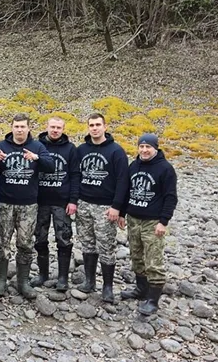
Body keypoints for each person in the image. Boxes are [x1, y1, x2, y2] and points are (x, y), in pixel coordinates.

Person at [0, 114, 54, 300]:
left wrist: (37, 158)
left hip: (28, 205)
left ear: (28, 128)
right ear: (12, 127)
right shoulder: (1, 146)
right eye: (16, 126)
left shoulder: (38, 146)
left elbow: (51, 167)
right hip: (5, 203)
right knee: (2, 241)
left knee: (25, 243)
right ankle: (1, 280)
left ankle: (23, 281)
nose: (19, 130)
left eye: (23, 126)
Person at [119, 134, 177, 315]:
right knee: (136, 257)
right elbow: (126, 191)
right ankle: (141, 289)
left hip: (152, 222)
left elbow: (170, 197)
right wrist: (121, 213)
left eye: (148, 147)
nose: (144, 150)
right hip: (133, 218)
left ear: (156, 148)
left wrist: (163, 221)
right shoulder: (134, 165)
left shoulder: (165, 169)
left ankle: (153, 300)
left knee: (154, 261)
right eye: (141, 146)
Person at [76, 113, 129, 303]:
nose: (95, 128)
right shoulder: (81, 149)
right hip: (84, 203)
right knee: (87, 243)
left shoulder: (116, 151)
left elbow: (124, 181)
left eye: (98, 124)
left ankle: (107, 286)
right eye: (91, 125)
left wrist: (118, 208)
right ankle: (89, 281)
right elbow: (75, 176)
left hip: (106, 207)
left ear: (105, 126)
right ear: (88, 127)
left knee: (106, 246)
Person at [30, 117, 80, 292]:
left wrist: (73, 200)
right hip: (40, 201)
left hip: (62, 202)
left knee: (64, 239)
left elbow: (75, 175)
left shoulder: (70, 149)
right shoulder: (36, 146)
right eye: (52, 127)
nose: (55, 130)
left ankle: (62, 277)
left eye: (59, 127)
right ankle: (43, 274)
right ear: (47, 127)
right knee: (40, 238)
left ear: (63, 129)